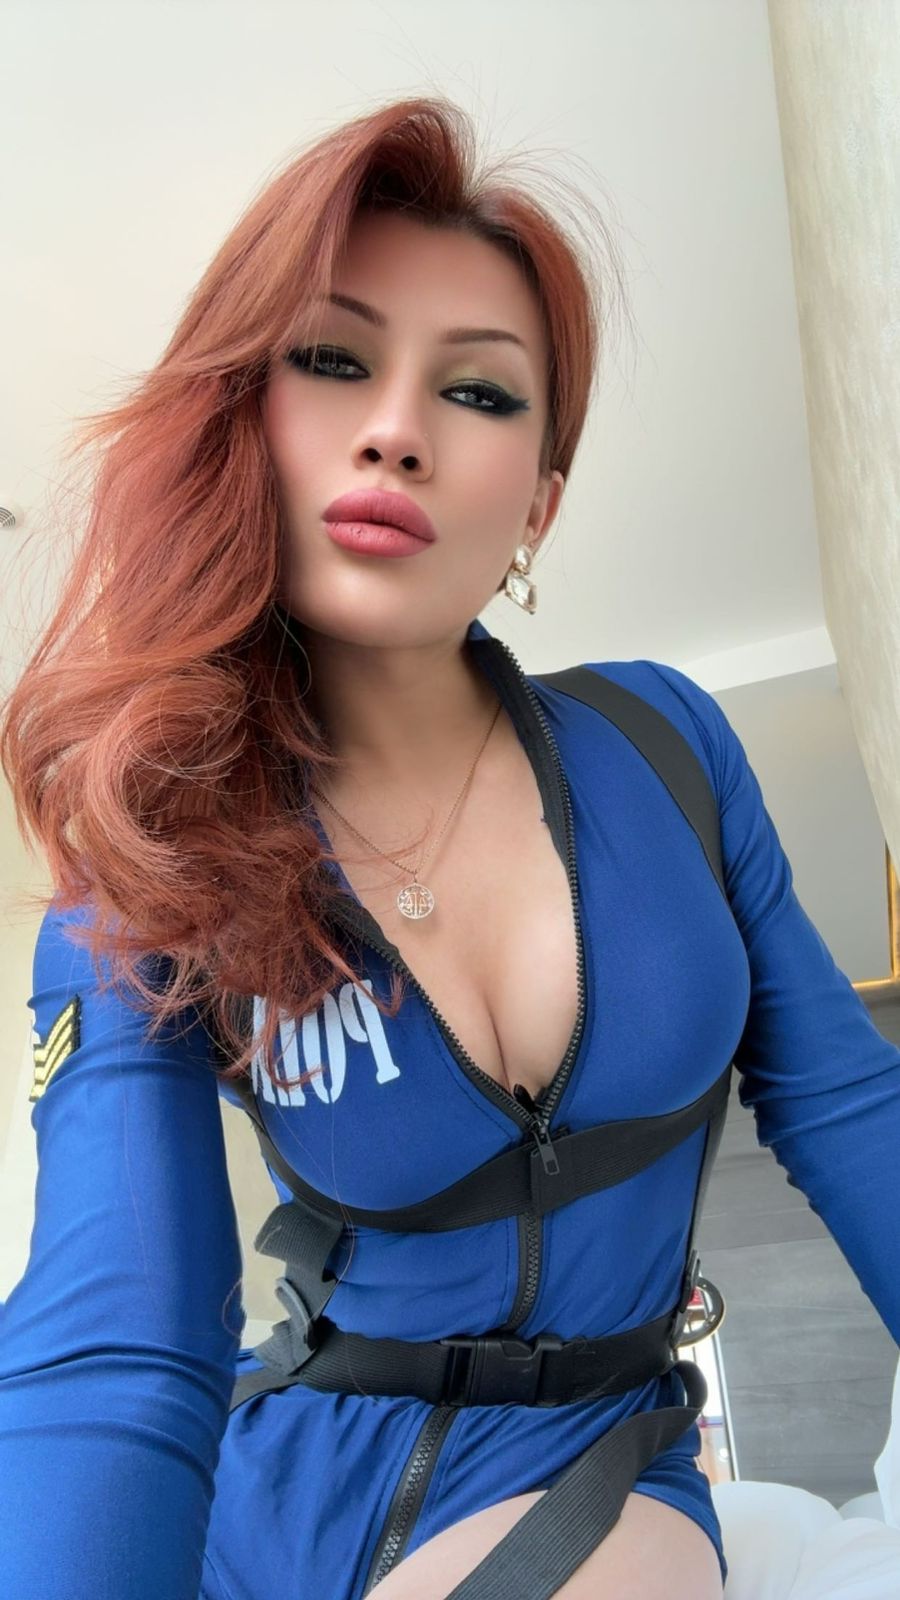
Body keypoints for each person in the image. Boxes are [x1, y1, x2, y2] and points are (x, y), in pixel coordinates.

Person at [1, 95, 899, 1600]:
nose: (397, 430)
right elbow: (113, 1344)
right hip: (267, 1493)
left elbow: (849, 1102)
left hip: (594, 1465)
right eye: (332, 361)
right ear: (244, 425)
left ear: (538, 502)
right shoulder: (150, 859)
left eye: (478, 391)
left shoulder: (668, 747)